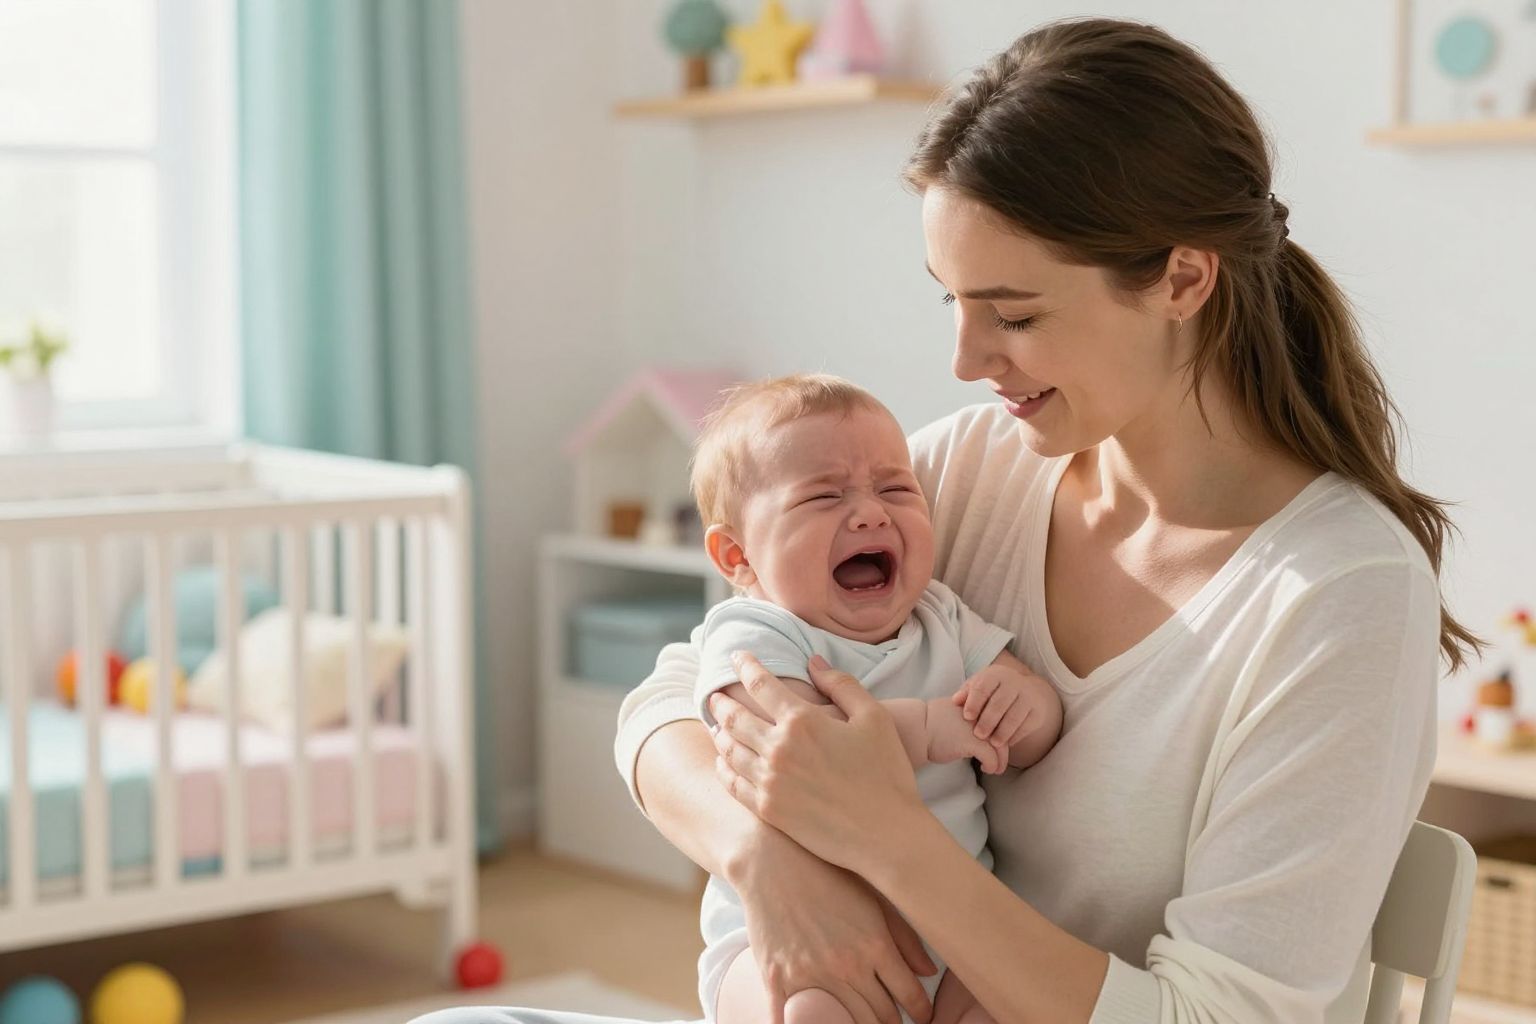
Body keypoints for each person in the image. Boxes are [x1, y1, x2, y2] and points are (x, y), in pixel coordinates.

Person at [415, 16, 1476, 1024]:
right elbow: (668, 701)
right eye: (951, 303)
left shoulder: (1341, 595)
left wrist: (884, 842)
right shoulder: (967, 472)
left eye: (1013, 314)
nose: (966, 361)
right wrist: (770, 861)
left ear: (1183, 278)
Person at [683, 373, 1062, 1024]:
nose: (869, 512)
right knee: (813, 1016)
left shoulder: (941, 615)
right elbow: (802, 750)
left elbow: (1034, 731)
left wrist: (1022, 702)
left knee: (1010, 1006)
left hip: (954, 933)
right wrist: (929, 729)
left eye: (895, 488)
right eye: (823, 497)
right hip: (796, 940)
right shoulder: (757, 635)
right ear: (737, 555)